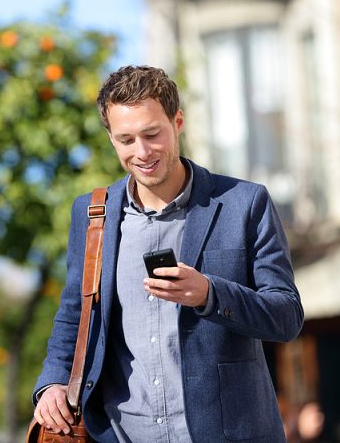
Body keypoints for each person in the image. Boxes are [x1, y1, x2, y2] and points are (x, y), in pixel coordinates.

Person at [32, 65, 304, 442]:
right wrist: (53, 383)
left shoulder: (245, 203)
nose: (141, 152)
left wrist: (209, 294)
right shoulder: (93, 214)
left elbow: (286, 316)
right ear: (111, 138)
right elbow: (76, 312)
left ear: (177, 122)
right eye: (126, 140)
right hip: (120, 433)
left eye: (152, 134)